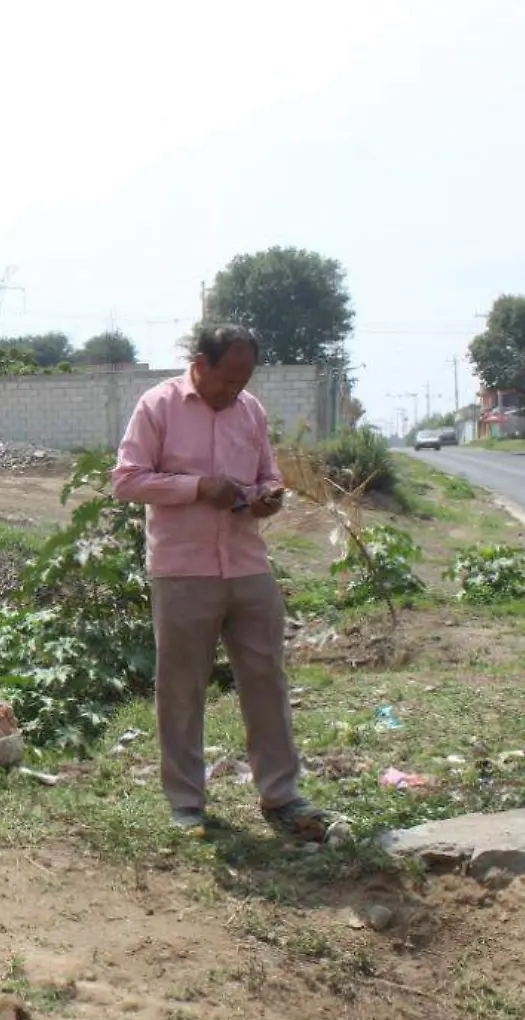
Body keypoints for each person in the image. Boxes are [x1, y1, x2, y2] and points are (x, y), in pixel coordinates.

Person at [110, 323, 336, 842]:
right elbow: (126, 480)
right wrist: (197, 488)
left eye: (244, 379)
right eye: (227, 379)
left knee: (266, 681)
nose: (235, 390)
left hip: (247, 564)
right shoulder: (158, 406)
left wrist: (269, 495)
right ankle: (186, 803)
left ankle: (281, 795)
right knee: (182, 690)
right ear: (200, 365)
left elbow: (267, 474)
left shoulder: (249, 410)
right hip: (183, 570)